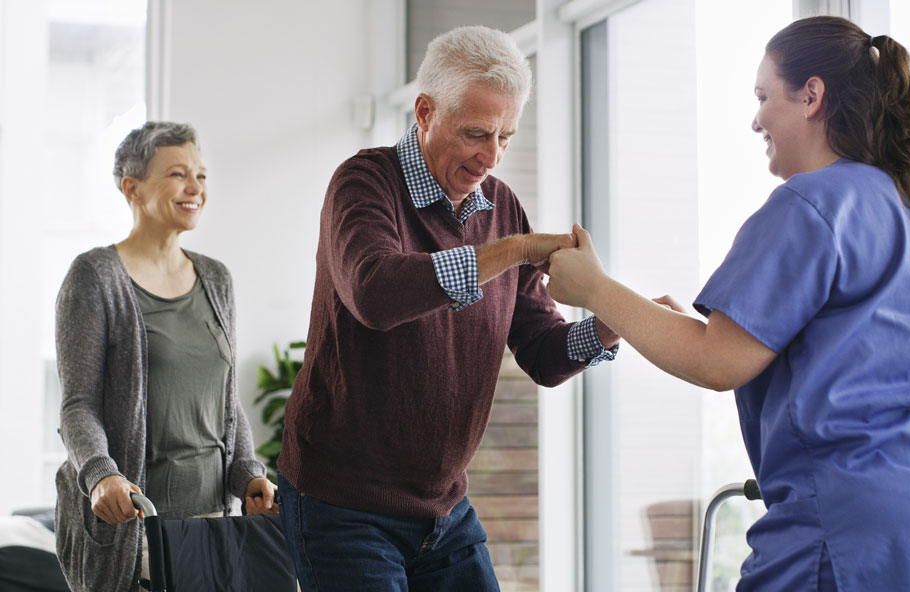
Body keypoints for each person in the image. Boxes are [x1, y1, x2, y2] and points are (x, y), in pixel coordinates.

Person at [546, 15, 910, 592]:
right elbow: (858, 356)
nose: (755, 117)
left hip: (857, 527)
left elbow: (718, 361)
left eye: (764, 96)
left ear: (812, 96)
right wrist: (652, 317)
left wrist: (595, 290)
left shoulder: (809, 205)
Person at [277, 25, 619, 591]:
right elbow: (376, 292)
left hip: (443, 509)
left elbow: (542, 352)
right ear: (425, 112)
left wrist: (610, 325)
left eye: (506, 136)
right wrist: (514, 250)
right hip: (343, 504)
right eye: (476, 133)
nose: (492, 156)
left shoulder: (501, 206)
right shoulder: (364, 184)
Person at [54, 121, 277, 592]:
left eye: (201, 174)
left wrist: (248, 474)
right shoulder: (94, 277)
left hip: (214, 525)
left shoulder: (216, 279)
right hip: (135, 530)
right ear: (131, 187)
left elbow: (224, 398)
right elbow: (78, 404)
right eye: (178, 174)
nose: (195, 187)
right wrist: (100, 476)